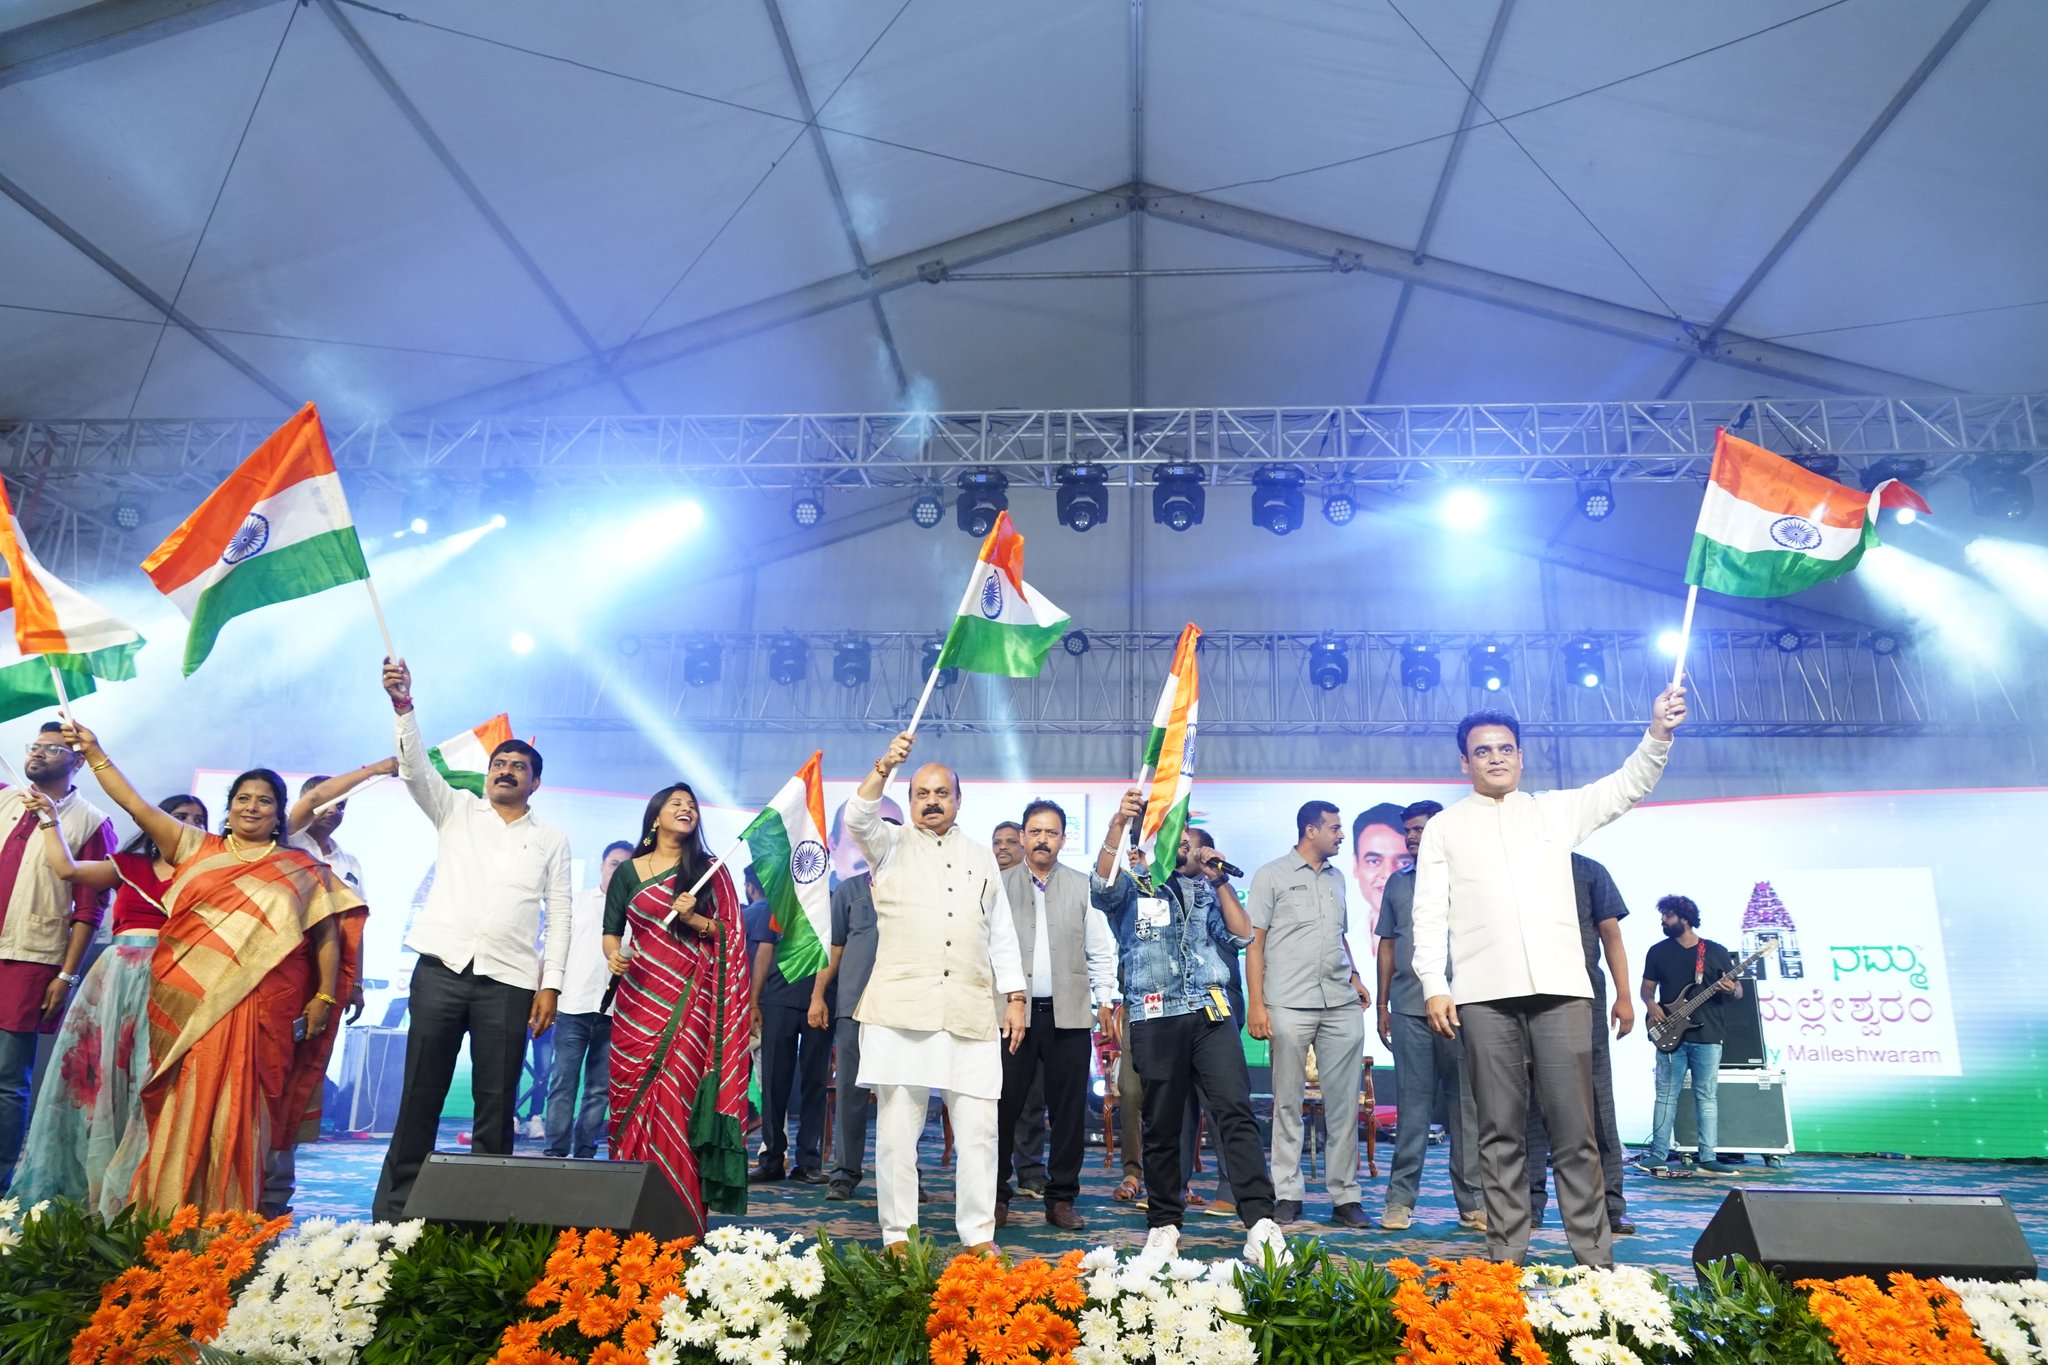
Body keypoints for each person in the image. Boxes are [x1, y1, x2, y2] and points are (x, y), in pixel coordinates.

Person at [1412, 684, 1687, 1268]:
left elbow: (1626, 785)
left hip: (1562, 992)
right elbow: (1428, 913)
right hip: (1484, 996)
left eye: (1505, 748)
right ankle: (1505, 1256)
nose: (1495, 758)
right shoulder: (1445, 828)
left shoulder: (1553, 811)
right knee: (1499, 1131)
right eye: (1482, 750)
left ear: (1520, 755)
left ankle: (1594, 1258)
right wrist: (1435, 983)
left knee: (1574, 1129)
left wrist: (1658, 734)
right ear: (1464, 762)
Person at [65, 728, 361, 1214]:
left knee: (251, 1106)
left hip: (267, 1007)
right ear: (228, 807)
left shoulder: (301, 867)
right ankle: (171, 1213)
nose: (252, 807)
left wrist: (325, 996)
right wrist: (95, 754)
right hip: (193, 1004)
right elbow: (135, 805)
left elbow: (327, 934)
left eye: (264, 800)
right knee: (188, 1098)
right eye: (243, 798)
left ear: (279, 813)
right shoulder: (195, 848)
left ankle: (236, 1218)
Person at [372, 658, 570, 1222]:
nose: (506, 771)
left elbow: (560, 916)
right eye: (499, 764)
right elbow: (414, 768)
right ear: (487, 774)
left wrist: (551, 986)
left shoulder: (552, 839)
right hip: (440, 970)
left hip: (508, 982)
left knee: (496, 1104)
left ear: (535, 783)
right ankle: (395, 1211)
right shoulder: (455, 810)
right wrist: (404, 707)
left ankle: (486, 1217)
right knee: (420, 1095)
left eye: (518, 766)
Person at [846, 733, 1025, 1251]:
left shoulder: (981, 857)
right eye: (921, 793)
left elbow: (1001, 931)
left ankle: (978, 1235)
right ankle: (898, 1235)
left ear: (958, 800)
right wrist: (885, 765)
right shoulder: (889, 844)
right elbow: (858, 816)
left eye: (941, 793)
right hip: (901, 1010)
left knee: (980, 1130)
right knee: (898, 1131)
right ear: (908, 801)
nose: (931, 801)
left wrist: (1015, 996)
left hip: (970, 1009)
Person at [1094, 789, 1282, 1264]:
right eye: (1175, 836)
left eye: (1187, 838)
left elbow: (1242, 934)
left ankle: (1261, 1223)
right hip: (1155, 1015)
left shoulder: (1204, 890)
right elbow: (1100, 886)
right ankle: (1164, 1225)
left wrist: (1220, 881)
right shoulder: (1131, 886)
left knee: (1235, 1110)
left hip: (1211, 1012)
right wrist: (1118, 825)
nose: (1184, 843)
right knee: (1162, 1123)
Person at [10, 793, 206, 1214]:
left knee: (151, 1082)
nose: (189, 825)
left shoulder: (210, 875)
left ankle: (141, 1198)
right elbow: (66, 869)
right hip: (116, 980)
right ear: (156, 821)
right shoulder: (127, 866)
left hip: (175, 983)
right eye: (180, 816)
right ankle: (85, 1193)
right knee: (101, 1083)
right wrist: (50, 819)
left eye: (198, 819)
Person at [603, 784, 751, 1234]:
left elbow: (732, 934)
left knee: (678, 1102)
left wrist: (695, 920)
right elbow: (612, 931)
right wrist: (613, 955)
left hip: (691, 1006)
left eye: (692, 806)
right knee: (628, 1102)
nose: (686, 809)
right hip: (637, 1005)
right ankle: (626, 1218)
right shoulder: (628, 872)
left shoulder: (709, 871)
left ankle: (680, 1222)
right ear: (656, 816)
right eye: (676, 804)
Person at [266, 764, 387, 1214]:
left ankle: (280, 1178)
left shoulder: (349, 862)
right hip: (283, 971)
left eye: (342, 805)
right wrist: (379, 768)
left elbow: (356, 923)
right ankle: (254, 1171)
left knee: (306, 1073)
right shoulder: (288, 839)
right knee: (270, 1070)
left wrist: (354, 982)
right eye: (326, 801)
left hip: (329, 980)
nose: (333, 810)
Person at [1246, 800, 1372, 1228]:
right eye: (1335, 828)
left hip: (1340, 1001)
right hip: (1287, 1001)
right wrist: (1257, 1003)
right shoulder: (1270, 875)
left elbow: (1339, 935)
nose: (1341, 835)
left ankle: (1345, 1197)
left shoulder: (1337, 878)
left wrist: (1355, 975)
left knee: (1344, 1105)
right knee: (1287, 1102)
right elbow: (1255, 943)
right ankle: (1287, 1192)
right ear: (1310, 830)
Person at [0, 721, 115, 1180]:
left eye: (51, 749)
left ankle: (2, 1182)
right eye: (36, 746)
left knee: (7, 1078)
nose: (38, 753)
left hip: (30, 957)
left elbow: (89, 909)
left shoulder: (91, 820)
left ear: (77, 761)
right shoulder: (5, 797)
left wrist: (66, 976)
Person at [994, 799, 1117, 1231]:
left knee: (1067, 1113)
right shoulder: (997, 885)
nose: (1042, 840)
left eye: (1051, 833)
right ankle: (996, 1196)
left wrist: (1105, 999)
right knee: (1002, 1108)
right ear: (1023, 837)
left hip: (1069, 1016)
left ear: (1064, 839)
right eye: (1035, 832)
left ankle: (1061, 1198)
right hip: (1012, 1016)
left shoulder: (1084, 886)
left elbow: (1100, 949)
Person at [1374, 799, 1482, 1233]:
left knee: (1466, 1109)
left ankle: (1473, 1204)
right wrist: (1382, 1004)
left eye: (1419, 829)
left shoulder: (1472, 877)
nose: (1412, 838)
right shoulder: (1399, 883)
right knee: (1412, 1109)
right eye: (1408, 831)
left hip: (1465, 1008)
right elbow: (1387, 945)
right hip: (1409, 1007)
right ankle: (1399, 1202)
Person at [1528, 853, 1636, 1234]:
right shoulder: (1516, 866)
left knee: (1597, 1101)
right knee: (1530, 1105)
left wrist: (1625, 996)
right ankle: (1529, 1202)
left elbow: (1611, 934)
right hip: (1527, 997)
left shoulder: (1589, 870)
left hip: (1584, 996)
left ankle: (1611, 1204)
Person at [1638, 893, 1742, 1178]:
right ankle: (1658, 1154)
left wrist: (1731, 989)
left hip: (1709, 1034)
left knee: (1706, 1097)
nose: (1662, 920)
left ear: (1684, 918)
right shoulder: (1657, 951)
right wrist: (1651, 1005)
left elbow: (1738, 991)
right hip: (1670, 1035)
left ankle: (1708, 1157)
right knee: (1665, 1095)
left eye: (1667, 915)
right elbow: (1647, 989)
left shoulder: (1715, 951)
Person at [545, 840, 631, 1159]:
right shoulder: (577, 902)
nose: (618, 871)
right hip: (572, 1007)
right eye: (614, 864)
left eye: (626, 867)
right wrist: (543, 992)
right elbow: (551, 951)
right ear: (601, 866)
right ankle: (555, 1151)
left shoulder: (638, 914)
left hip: (615, 1013)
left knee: (599, 1090)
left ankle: (584, 1154)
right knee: (563, 1083)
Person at [748, 866, 832, 1185]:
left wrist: (819, 996)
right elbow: (764, 950)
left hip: (820, 1002)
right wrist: (754, 1001)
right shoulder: (779, 899)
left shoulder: (831, 902)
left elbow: (836, 951)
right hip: (777, 1000)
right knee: (773, 1083)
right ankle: (771, 1159)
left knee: (814, 1083)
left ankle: (808, 1162)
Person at [1348, 802, 1409, 971]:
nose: (1388, 874)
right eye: (1374, 861)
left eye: (1404, 862)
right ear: (1355, 865)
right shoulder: (1342, 945)